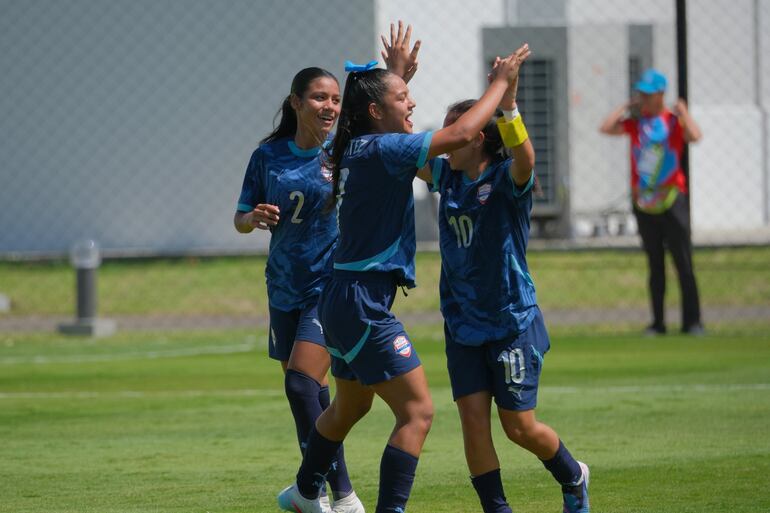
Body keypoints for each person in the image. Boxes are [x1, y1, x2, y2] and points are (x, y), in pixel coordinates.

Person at [277, 26, 527, 513]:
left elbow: (381, 118)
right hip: (362, 301)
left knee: (351, 405)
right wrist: (501, 84)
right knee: (417, 412)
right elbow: (460, 135)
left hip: (343, 296)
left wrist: (393, 77)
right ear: (376, 111)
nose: (412, 103)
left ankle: (306, 491)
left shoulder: (355, 146)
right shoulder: (384, 150)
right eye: (403, 98)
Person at [419, 54, 590, 513]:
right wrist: (395, 84)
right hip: (461, 324)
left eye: (454, 131)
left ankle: (573, 476)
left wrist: (509, 104)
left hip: (511, 320)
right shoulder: (446, 177)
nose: (445, 140)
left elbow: (525, 158)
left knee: (518, 427)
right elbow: (402, 151)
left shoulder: (505, 180)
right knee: (474, 423)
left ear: (476, 137)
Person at [234, 66, 364, 513]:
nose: (330, 106)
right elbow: (240, 218)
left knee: (300, 384)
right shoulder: (267, 156)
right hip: (282, 286)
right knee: (311, 395)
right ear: (296, 103)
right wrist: (252, 219)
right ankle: (333, 495)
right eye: (319, 98)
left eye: (335, 99)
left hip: (327, 286)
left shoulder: (341, 153)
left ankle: (322, 493)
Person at [599, 68, 704, 335]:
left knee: (683, 262)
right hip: (644, 203)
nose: (643, 98)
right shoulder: (636, 123)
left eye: (648, 94)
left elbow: (695, 136)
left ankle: (692, 322)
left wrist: (684, 112)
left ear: (660, 94)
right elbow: (606, 128)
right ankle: (658, 323)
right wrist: (625, 106)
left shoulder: (673, 122)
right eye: (641, 94)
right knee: (655, 265)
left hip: (672, 199)